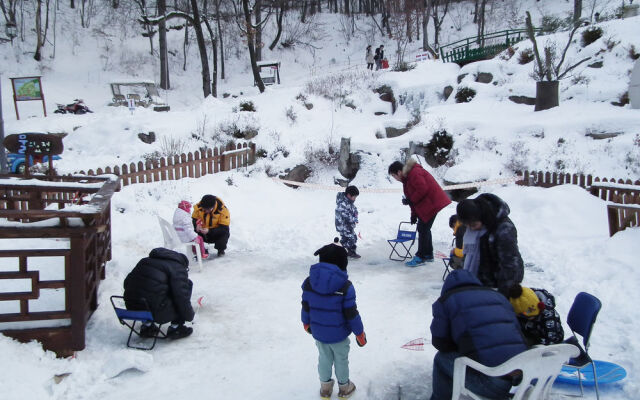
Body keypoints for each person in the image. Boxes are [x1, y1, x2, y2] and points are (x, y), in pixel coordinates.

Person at [430, 269, 528, 400]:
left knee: (442, 359)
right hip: (525, 378)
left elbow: (440, 343)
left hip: (494, 384)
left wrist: (462, 340)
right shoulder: (499, 296)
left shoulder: (445, 301)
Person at [301, 239, 367, 399]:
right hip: (339, 335)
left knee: (324, 359)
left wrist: (306, 323)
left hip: (319, 333)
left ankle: (325, 388)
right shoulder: (345, 287)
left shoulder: (309, 283)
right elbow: (352, 314)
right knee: (341, 361)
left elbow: (306, 306)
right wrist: (360, 333)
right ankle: (344, 388)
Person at [456, 193, 524, 296]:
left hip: (499, 283)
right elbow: (469, 256)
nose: (471, 229)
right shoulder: (476, 225)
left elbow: (509, 264)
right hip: (481, 282)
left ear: (482, 216)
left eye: (473, 225)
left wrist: (503, 295)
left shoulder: (504, 229)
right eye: (467, 225)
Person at [388, 159, 451, 267]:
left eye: (394, 176)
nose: (395, 179)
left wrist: (411, 200)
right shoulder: (407, 180)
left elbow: (422, 189)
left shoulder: (414, 173)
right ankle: (428, 254)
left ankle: (421, 256)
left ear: (399, 172)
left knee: (423, 228)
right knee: (424, 228)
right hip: (428, 204)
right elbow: (412, 200)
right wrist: (413, 215)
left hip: (433, 202)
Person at [123, 248, 195, 340]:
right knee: (186, 285)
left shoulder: (144, 261)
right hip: (155, 311)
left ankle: (147, 325)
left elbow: (127, 283)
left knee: (147, 292)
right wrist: (189, 315)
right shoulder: (178, 267)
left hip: (132, 307)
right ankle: (176, 327)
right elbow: (182, 297)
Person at [335, 185, 360, 259]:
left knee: (352, 238)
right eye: (354, 197)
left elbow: (354, 210)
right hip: (342, 226)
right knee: (351, 239)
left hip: (349, 226)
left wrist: (355, 215)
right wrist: (353, 219)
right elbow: (345, 216)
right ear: (349, 195)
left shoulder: (349, 202)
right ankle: (338, 251)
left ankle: (350, 252)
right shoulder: (342, 204)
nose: (355, 199)